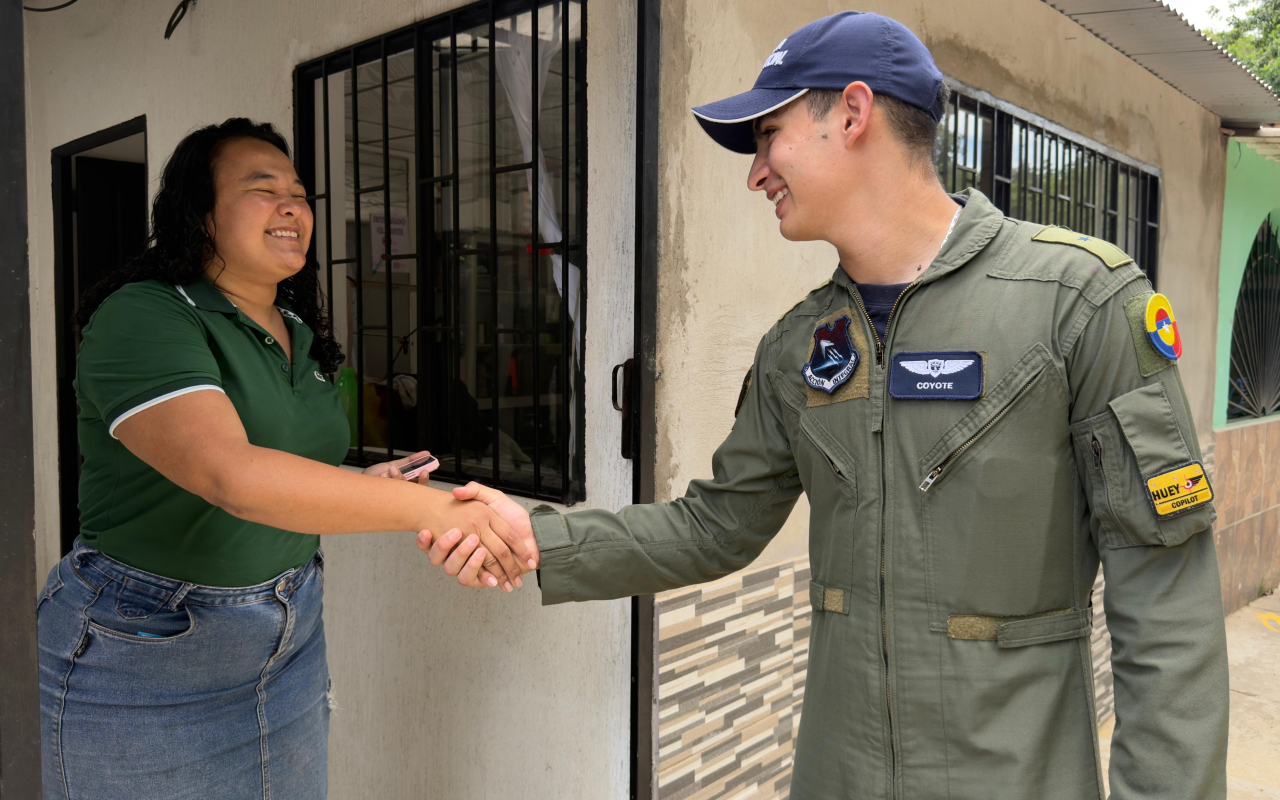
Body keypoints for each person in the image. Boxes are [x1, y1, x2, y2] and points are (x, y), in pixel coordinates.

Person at [435, 11, 1230, 799]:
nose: (755, 172)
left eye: (768, 133)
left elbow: (1165, 603)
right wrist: (541, 537)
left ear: (852, 113)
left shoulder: (1077, 303)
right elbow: (714, 526)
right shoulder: (800, 347)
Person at [37, 118, 537, 800]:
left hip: (288, 636)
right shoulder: (146, 315)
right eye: (261, 187)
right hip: (146, 649)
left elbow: (279, 469)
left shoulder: (297, 331)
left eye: (299, 192)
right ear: (199, 214)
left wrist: (354, 483)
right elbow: (232, 476)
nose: (292, 205)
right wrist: (449, 511)